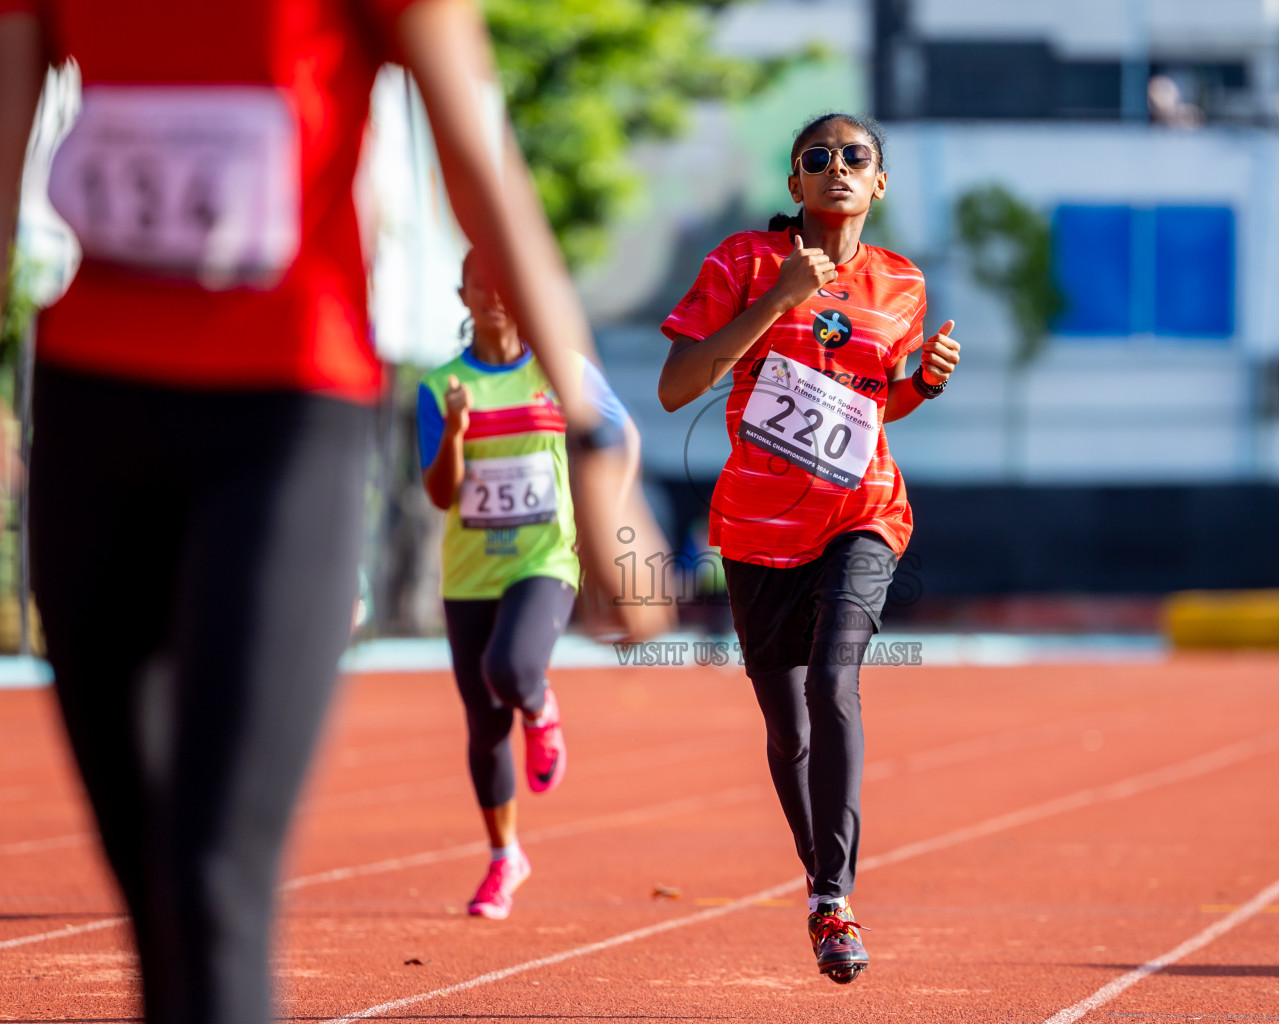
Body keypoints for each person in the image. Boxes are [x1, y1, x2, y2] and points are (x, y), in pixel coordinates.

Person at [0, 3, 668, 1023]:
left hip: (281, 419)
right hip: (94, 421)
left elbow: (479, 166)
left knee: (214, 878)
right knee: (152, 891)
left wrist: (589, 445)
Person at [656, 112, 961, 984]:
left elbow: (872, 403)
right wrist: (780, 297)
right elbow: (679, 386)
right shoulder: (742, 263)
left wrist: (920, 385)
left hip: (863, 511)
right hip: (757, 529)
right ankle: (821, 880)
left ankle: (833, 900)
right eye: (815, 159)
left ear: (879, 183)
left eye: (853, 158)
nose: (836, 168)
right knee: (785, 731)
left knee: (835, 679)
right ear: (793, 184)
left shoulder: (900, 283)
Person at [418, 248, 636, 919]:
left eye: (505, 283)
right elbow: (439, 493)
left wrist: (605, 528)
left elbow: (619, 439)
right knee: (483, 727)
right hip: (469, 572)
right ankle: (503, 857)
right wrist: (456, 429)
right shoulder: (440, 387)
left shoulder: (562, 372)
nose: (494, 296)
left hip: (546, 559)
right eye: (479, 285)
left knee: (509, 671)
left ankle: (540, 710)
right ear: (462, 296)